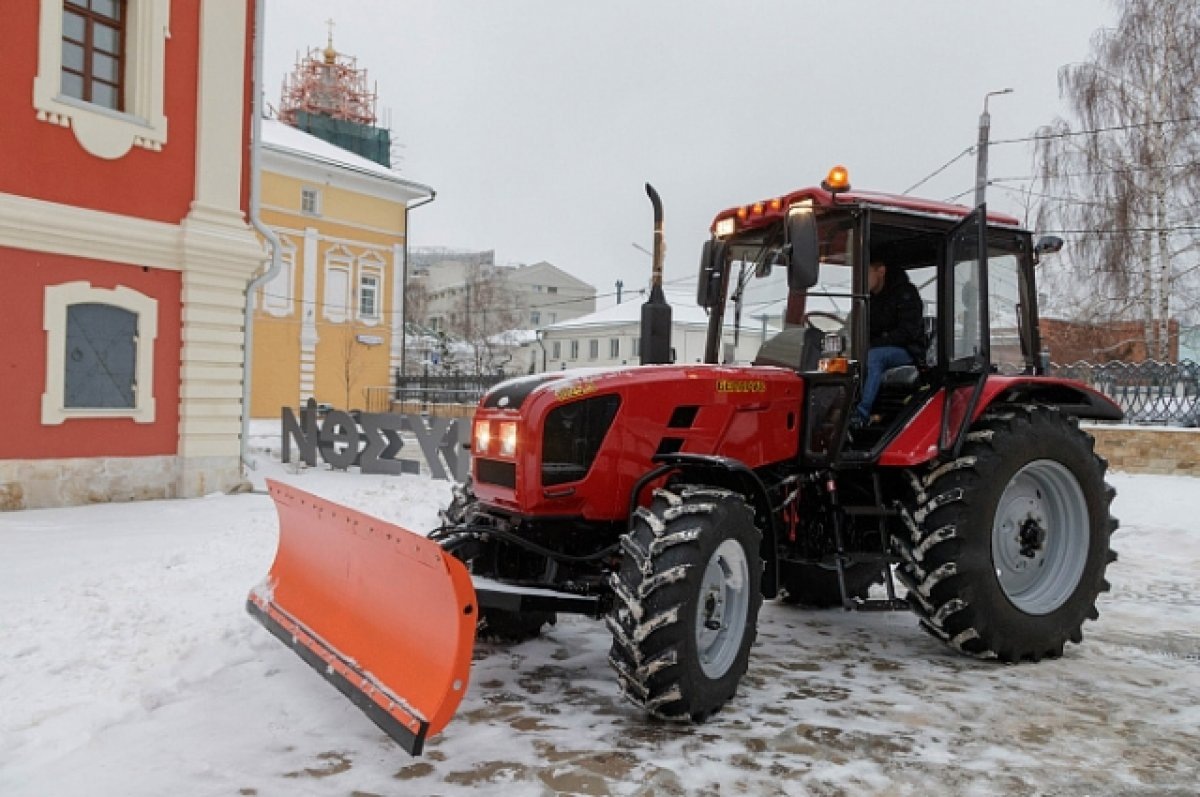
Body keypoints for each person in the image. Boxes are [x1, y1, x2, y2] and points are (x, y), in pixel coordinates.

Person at [853, 259, 925, 426]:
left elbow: (908, 332)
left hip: (908, 350)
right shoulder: (867, 299)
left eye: (866, 273)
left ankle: (859, 415)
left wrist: (875, 343)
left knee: (874, 357)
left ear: (881, 271)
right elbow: (856, 324)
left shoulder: (906, 295)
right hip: (877, 347)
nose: (861, 279)